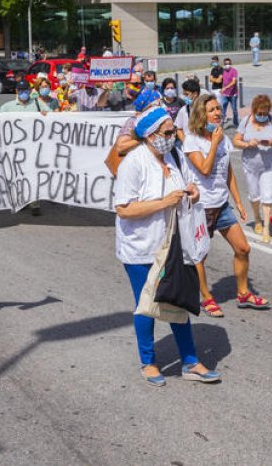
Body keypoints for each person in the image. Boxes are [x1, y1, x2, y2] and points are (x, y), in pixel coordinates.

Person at [114, 107, 221, 386]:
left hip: (173, 245)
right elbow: (124, 209)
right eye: (168, 132)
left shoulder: (174, 157)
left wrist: (193, 193)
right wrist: (164, 202)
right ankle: (148, 362)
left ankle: (190, 361)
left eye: (173, 131)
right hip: (141, 248)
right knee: (147, 303)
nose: (173, 136)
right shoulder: (133, 162)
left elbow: (190, 184)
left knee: (177, 300)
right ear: (150, 135)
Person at [185, 94, 268, 317]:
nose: (218, 113)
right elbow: (204, 169)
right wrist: (213, 143)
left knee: (243, 248)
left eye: (219, 109)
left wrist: (239, 203)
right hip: (200, 207)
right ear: (201, 115)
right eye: (212, 110)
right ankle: (207, 297)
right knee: (199, 255)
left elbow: (227, 171)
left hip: (221, 205)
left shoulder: (223, 139)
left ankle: (243, 293)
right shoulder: (192, 140)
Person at [234, 95, 272, 243]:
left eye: (265, 113)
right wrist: (247, 144)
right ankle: (257, 219)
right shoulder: (246, 121)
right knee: (254, 195)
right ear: (254, 110)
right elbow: (236, 141)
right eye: (259, 113)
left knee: (268, 196)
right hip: (250, 166)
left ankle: (266, 227)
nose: (262, 116)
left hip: (270, 166)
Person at [220, 58, 240, 126]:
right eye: (226, 64)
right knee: (223, 108)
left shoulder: (234, 71)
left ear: (231, 64)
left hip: (233, 94)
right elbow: (222, 81)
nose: (227, 65)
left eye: (228, 64)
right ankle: (221, 123)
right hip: (225, 94)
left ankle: (236, 123)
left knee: (234, 109)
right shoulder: (223, 71)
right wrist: (222, 88)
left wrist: (225, 88)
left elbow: (234, 82)